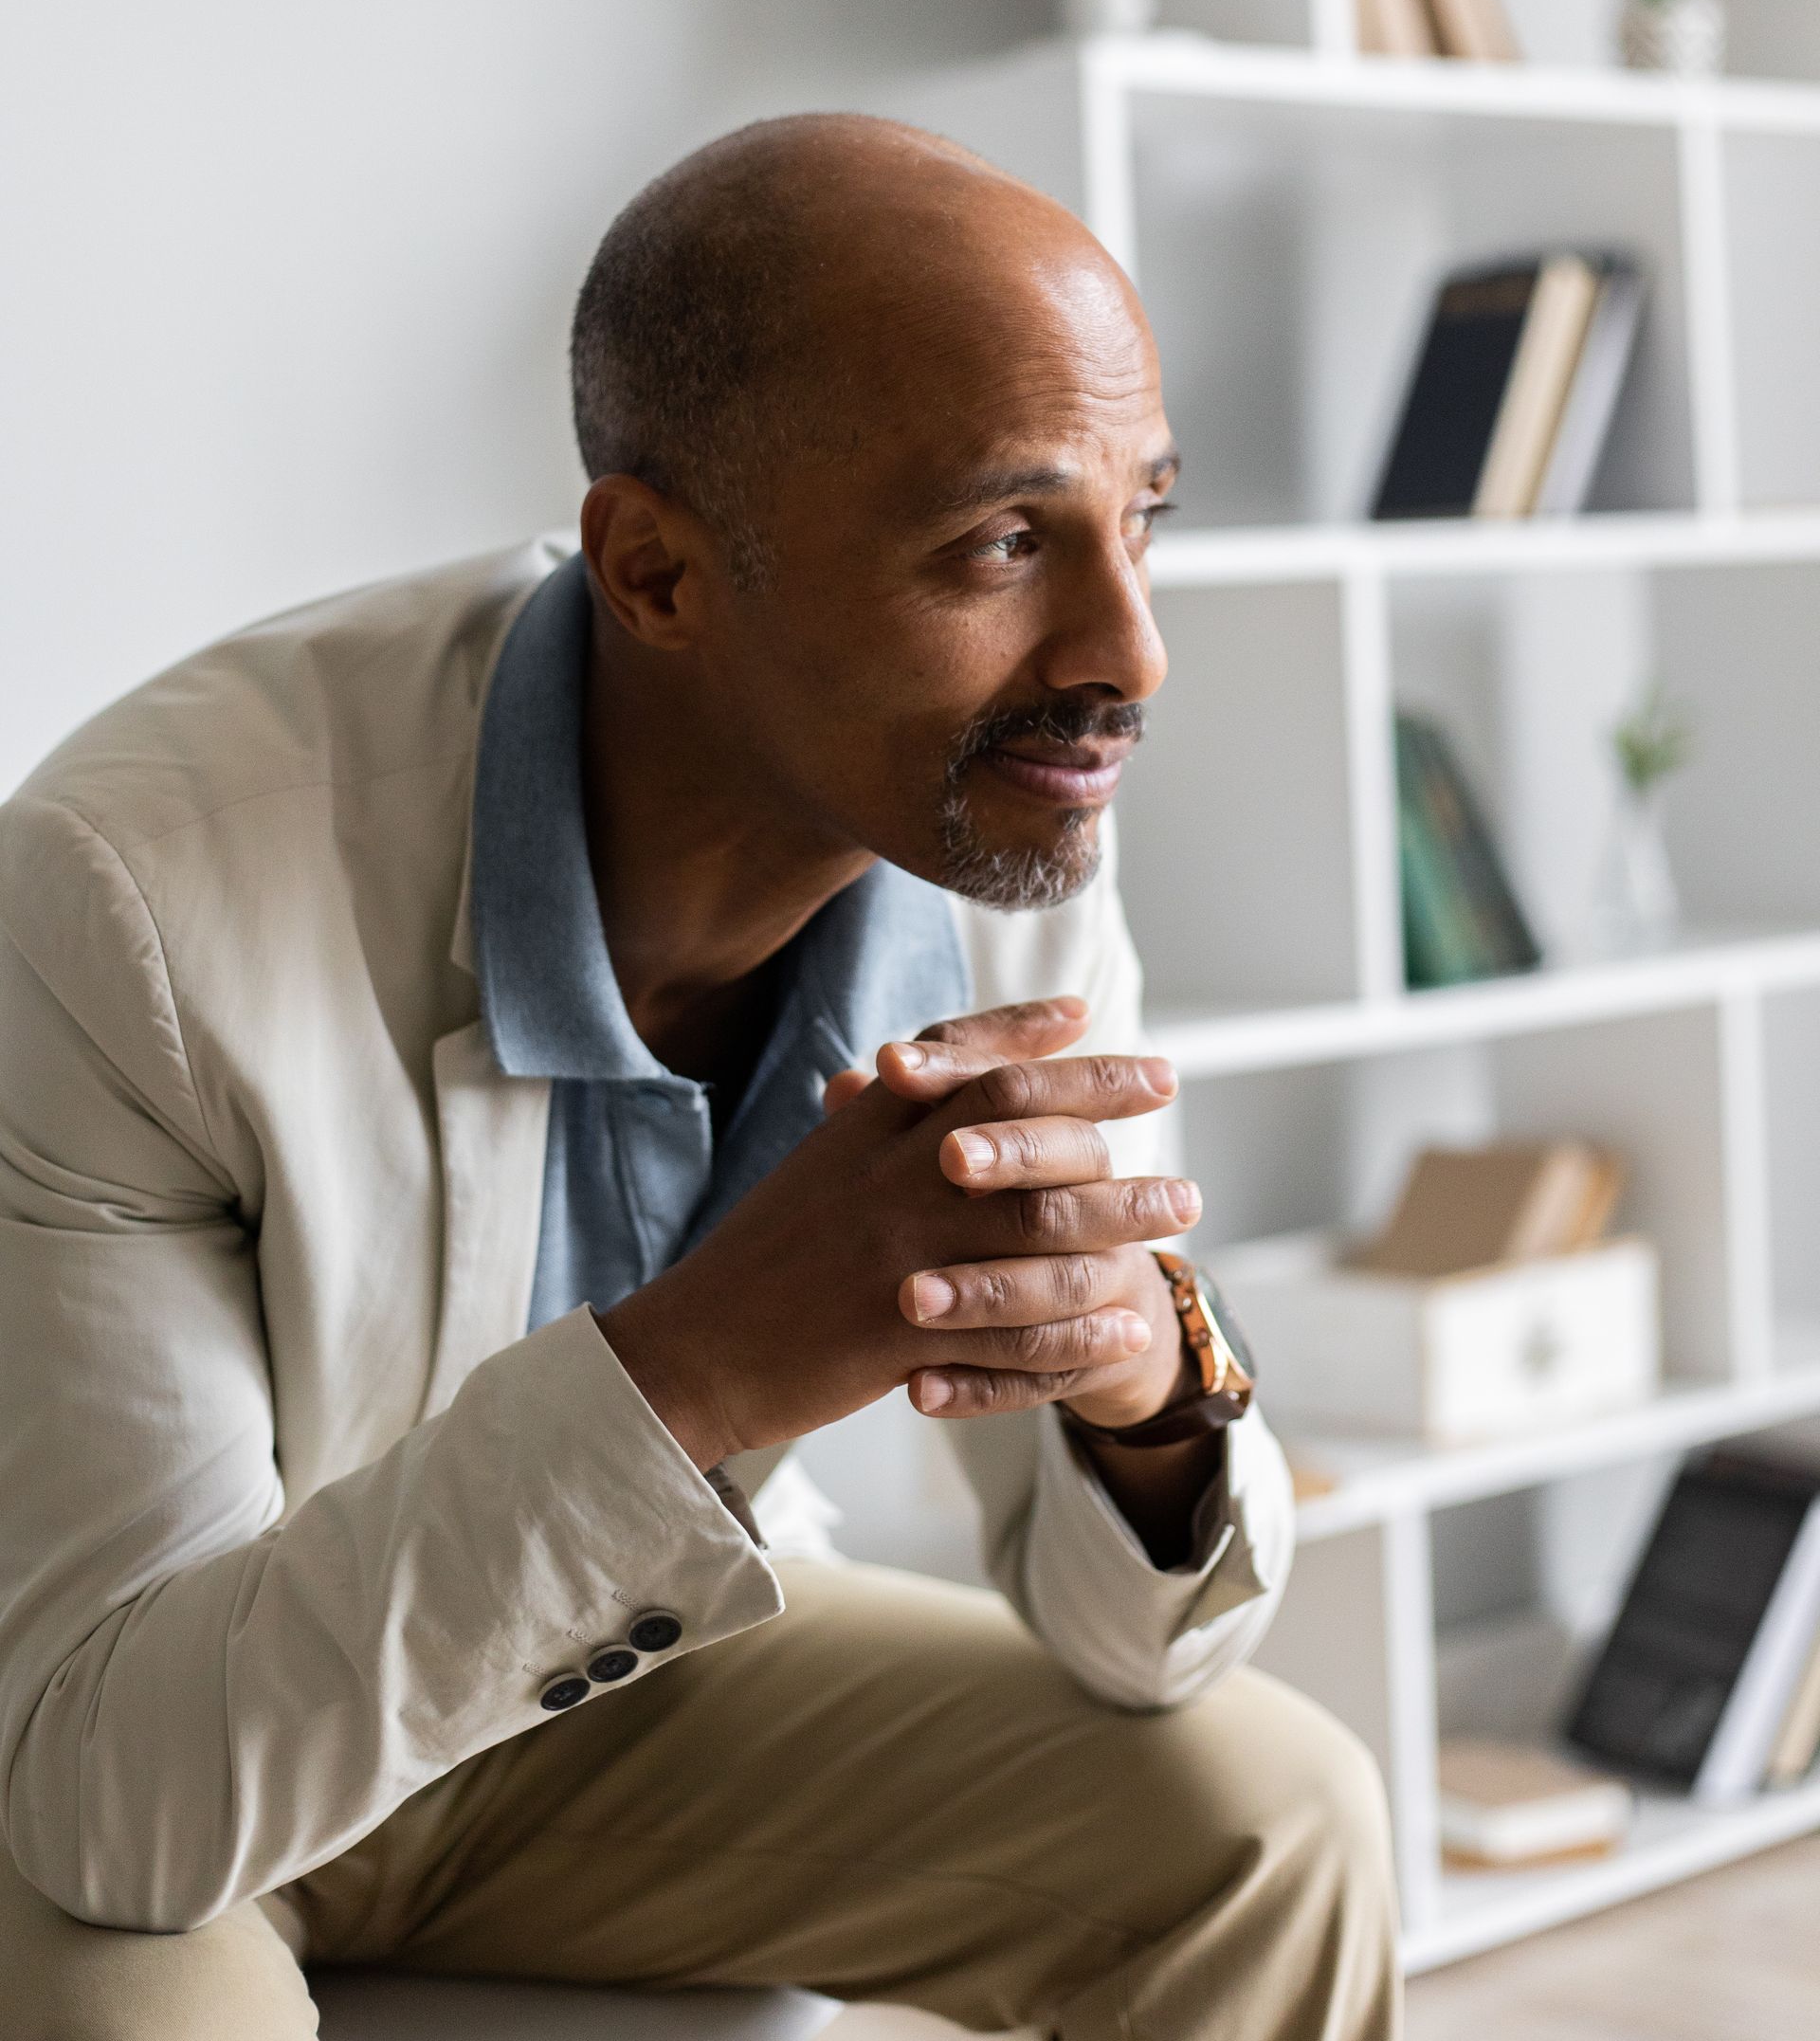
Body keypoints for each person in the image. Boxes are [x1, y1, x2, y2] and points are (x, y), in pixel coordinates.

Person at [0, 116, 1398, 2038]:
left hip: (572, 1697)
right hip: (132, 1712)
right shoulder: (135, 898)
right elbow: (123, 1813)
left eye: (1140, 518)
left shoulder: (1000, 836)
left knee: (1279, 1821)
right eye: (1002, 539)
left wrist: (1157, 1383)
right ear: (656, 573)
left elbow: (1136, 1646)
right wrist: (716, 1358)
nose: (1127, 653)